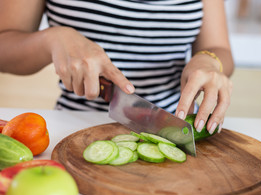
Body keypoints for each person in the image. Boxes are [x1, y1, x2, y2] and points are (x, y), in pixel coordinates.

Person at [0, 0, 234, 135]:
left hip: (170, 127)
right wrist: (51, 39)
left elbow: (219, 48)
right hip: (75, 125)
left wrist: (209, 60)